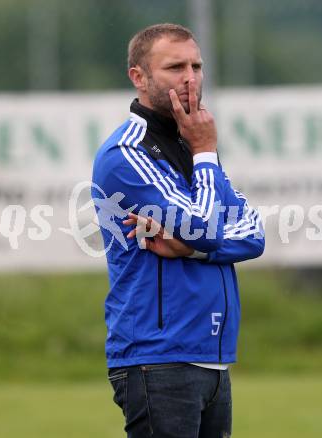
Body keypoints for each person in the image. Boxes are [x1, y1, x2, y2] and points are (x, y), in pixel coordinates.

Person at [92, 23, 265, 438]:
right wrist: (207, 153)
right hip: (159, 357)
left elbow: (253, 231)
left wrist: (192, 250)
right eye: (174, 67)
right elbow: (207, 227)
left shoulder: (193, 143)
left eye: (197, 65)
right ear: (139, 76)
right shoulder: (127, 153)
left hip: (212, 357)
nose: (191, 78)